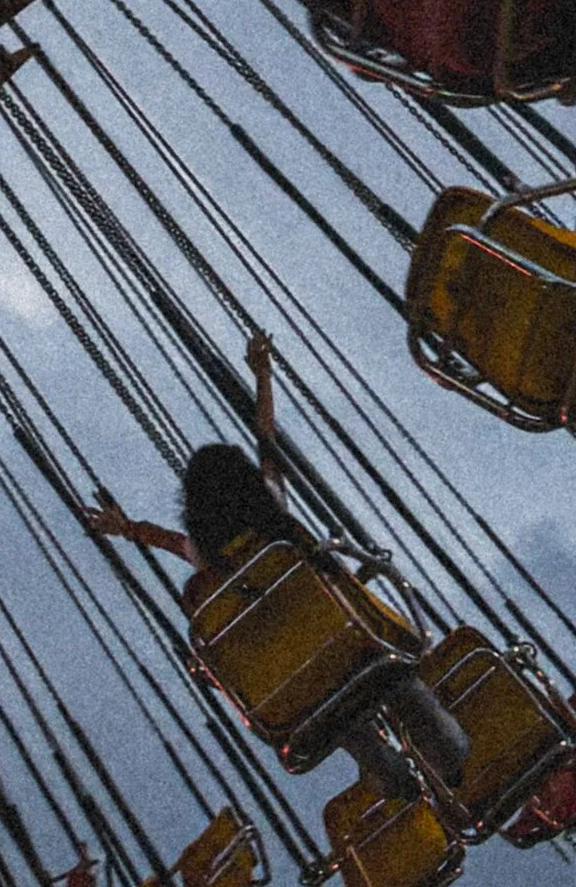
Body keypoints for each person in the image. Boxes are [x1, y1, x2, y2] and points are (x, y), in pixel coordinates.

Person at [87, 336, 469, 798]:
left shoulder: (205, 556)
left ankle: (390, 775)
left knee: (331, 706)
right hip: (351, 645)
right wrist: (262, 375)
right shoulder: (271, 512)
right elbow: (266, 436)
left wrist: (123, 527)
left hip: (296, 689)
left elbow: (160, 537)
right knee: (392, 679)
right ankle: (448, 755)